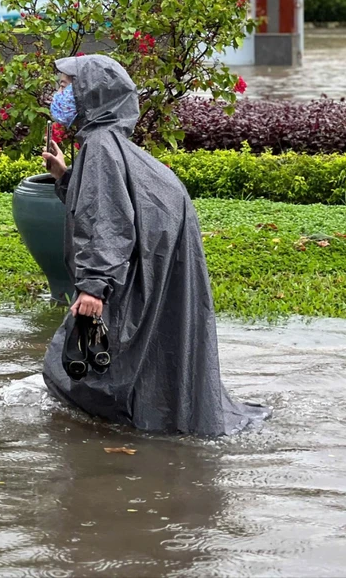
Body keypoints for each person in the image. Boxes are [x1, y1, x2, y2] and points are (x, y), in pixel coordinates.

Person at [39, 54, 270, 437]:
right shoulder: (107, 142)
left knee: (67, 368)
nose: (60, 93)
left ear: (90, 94)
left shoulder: (99, 146)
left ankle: (122, 437)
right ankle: (148, 419)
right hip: (146, 265)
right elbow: (107, 201)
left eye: (67, 85)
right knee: (135, 352)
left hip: (132, 267)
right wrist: (65, 177)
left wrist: (94, 286)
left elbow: (109, 218)